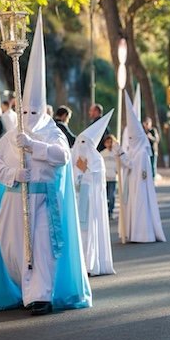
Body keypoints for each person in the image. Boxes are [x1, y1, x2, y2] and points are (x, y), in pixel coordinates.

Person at [0, 13, 91, 315]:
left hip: (44, 202)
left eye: (33, 112)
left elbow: (63, 156)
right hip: (15, 200)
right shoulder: (12, 134)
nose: (28, 117)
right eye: (25, 112)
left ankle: (40, 295)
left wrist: (35, 147)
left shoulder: (51, 131)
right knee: (15, 249)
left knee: (42, 248)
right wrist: (13, 173)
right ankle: (25, 289)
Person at [116, 91, 166, 243]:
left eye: (132, 138)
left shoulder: (143, 152)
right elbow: (128, 164)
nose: (130, 141)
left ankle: (142, 234)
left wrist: (122, 155)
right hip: (132, 186)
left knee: (140, 209)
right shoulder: (133, 150)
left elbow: (135, 167)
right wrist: (120, 155)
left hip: (141, 188)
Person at [71, 110, 115, 276]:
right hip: (76, 200)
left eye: (84, 142)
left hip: (90, 202)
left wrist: (86, 169)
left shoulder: (97, 159)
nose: (81, 145)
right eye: (79, 141)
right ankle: (77, 263)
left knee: (88, 232)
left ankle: (89, 263)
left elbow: (98, 180)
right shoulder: (74, 156)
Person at [101, 134, 119, 218]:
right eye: (108, 142)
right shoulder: (102, 153)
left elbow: (118, 164)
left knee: (111, 195)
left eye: (111, 142)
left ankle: (110, 211)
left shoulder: (116, 154)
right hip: (105, 178)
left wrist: (117, 171)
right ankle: (105, 211)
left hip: (113, 178)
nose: (109, 144)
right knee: (105, 196)